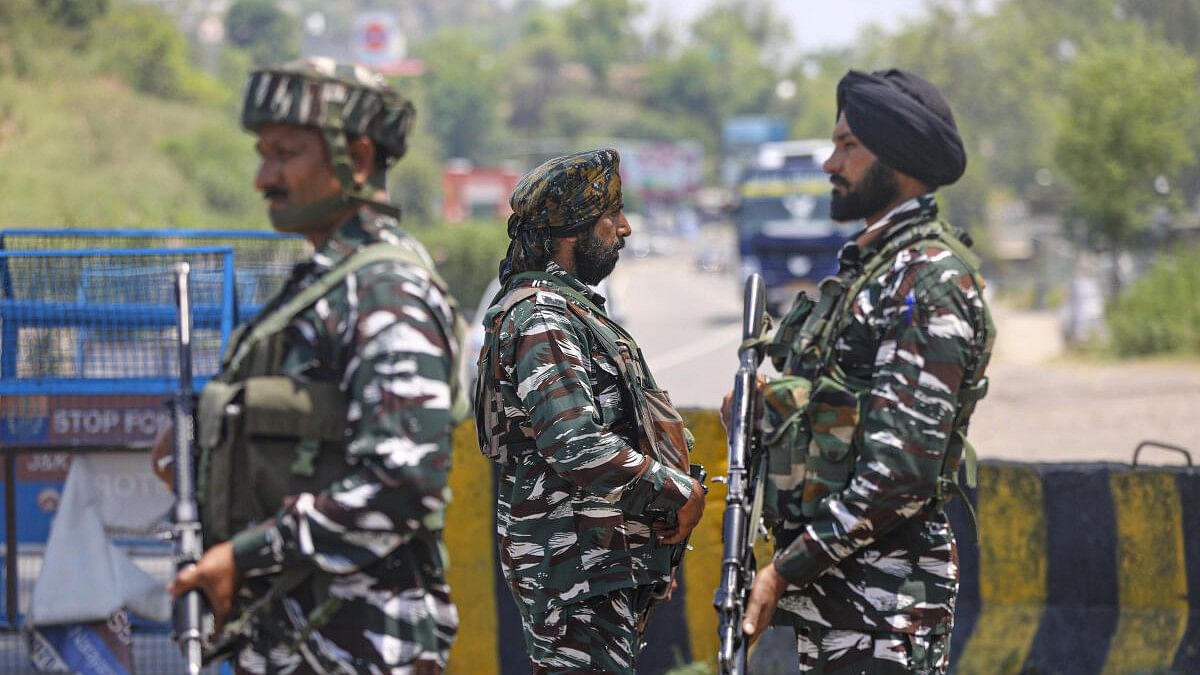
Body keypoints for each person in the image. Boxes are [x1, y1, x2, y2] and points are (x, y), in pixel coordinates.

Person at [155, 57, 464, 674]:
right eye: (262, 153)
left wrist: (246, 554)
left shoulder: (385, 289)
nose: (263, 177)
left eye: (285, 153)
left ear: (360, 155)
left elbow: (405, 480)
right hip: (298, 642)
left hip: (359, 647)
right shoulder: (322, 283)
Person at [739, 69, 995, 673]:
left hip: (887, 609)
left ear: (898, 159)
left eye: (849, 146)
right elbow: (840, 407)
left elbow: (901, 472)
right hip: (847, 605)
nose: (831, 163)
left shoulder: (929, 281)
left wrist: (785, 568)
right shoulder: (874, 269)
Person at [473, 149, 706, 674]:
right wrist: (675, 490)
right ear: (572, 233)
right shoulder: (542, 319)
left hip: (593, 568)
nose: (624, 229)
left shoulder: (568, 310)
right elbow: (574, 442)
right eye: (611, 216)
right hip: (573, 572)